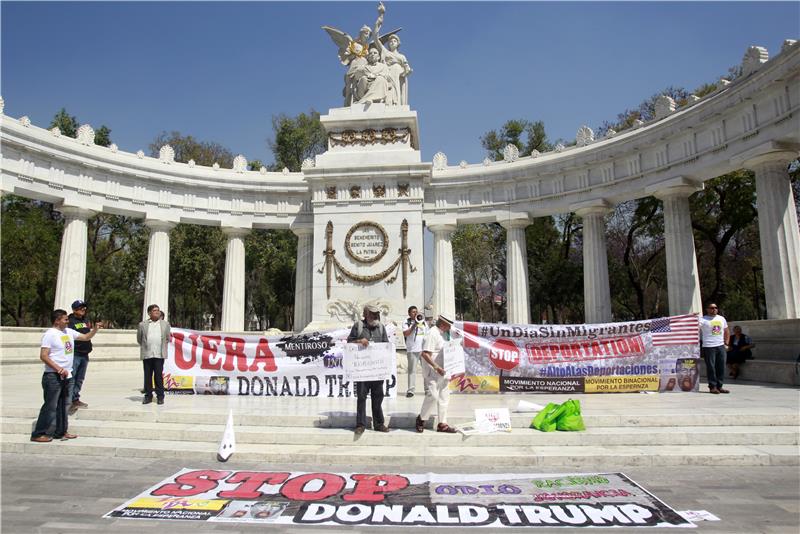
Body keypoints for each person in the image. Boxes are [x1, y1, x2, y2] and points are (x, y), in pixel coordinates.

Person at [30, 309, 100, 442]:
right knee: (50, 406)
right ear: (57, 320)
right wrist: (58, 368)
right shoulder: (50, 334)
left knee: (64, 405)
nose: (68, 321)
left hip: (67, 376)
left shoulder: (68, 332)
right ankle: (38, 433)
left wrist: (95, 329)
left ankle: (61, 432)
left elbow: (85, 337)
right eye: (65, 319)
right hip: (53, 376)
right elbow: (43, 355)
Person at [347, 304, 390, 435]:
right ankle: (360, 424)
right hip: (362, 372)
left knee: (378, 397)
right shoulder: (358, 326)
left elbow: (386, 346)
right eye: (372, 313)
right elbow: (349, 343)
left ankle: (379, 423)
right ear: (365, 314)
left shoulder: (381, 328)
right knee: (361, 398)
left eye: (376, 314)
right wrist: (359, 341)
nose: (375, 316)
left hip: (377, 371)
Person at [415, 315, 458, 433]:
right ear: (443, 324)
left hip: (444, 370)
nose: (450, 328)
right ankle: (421, 418)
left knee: (444, 396)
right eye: (449, 325)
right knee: (433, 396)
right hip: (433, 371)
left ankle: (442, 424)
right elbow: (425, 354)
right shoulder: (432, 333)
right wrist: (436, 367)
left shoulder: (444, 334)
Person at [137, 304, 171, 405]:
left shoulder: (165, 324)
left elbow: (167, 338)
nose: (157, 312)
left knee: (158, 376)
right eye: (154, 310)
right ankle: (148, 396)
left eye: (158, 310)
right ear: (149, 313)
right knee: (147, 376)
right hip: (147, 354)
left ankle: (160, 396)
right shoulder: (142, 325)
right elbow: (139, 339)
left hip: (159, 354)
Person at [374, 25, 412, 105]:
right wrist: (378, 23)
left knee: (396, 77)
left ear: (398, 43)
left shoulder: (401, 56)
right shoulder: (385, 52)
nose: (392, 43)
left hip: (397, 73)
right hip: (386, 71)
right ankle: (387, 100)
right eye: (390, 41)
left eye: (394, 41)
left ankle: (396, 102)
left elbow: (406, 67)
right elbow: (376, 39)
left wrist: (407, 71)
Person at [67, 300, 92, 415]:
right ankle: (69, 400)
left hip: (84, 354)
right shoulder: (69, 321)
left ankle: (75, 398)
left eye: (84, 308)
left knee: (80, 379)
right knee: (72, 378)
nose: (83, 310)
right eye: (81, 308)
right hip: (75, 354)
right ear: (74, 309)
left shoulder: (85, 320)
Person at [699, 302, 730, 394]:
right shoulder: (702, 319)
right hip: (709, 346)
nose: (714, 309)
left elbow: (726, 331)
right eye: (712, 308)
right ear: (707, 309)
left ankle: (720, 386)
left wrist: (726, 343)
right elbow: (694, 328)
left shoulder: (721, 318)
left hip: (720, 346)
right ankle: (712, 386)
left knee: (721, 367)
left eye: (716, 308)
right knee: (711, 367)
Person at [402, 305, 427, 398]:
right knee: (412, 370)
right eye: (413, 312)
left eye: (416, 311)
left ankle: (427, 389)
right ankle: (411, 390)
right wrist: (414, 325)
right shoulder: (406, 322)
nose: (415, 313)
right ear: (409, 313)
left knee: (426, 370)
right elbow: (405, 333)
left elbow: (427, 334)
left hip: (423, 350)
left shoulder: (423, 322)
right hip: (412, 349)